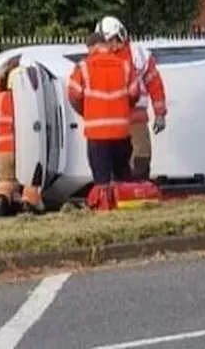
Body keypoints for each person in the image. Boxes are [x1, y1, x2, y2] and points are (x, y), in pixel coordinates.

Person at [68, 20, 141, 209]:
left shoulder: (83, 67)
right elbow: (135, 93)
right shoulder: (124, 66)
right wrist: (123, 109)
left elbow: (73, 95)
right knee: (123, 176)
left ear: (91, 47)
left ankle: (105, 210)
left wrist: (86, 112)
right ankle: (127, 208)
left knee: (102, 181)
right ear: (106, 46)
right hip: (121, 133)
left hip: (97, 135)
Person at [101, 15, 168, 180]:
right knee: (119, 161)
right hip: (115, 119)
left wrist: (160, 113)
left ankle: (140, 189)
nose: (113, 45)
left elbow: (154, 82)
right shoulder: (102, 59)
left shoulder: (138, 55)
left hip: (136, 117)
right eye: (109, 41)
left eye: (115, 39)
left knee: (142, 158)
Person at [0, 54, 43, 214]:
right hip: (23, 146)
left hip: (3, 147)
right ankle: (28, 204)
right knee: (31, 179)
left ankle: (2, 201)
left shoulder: (1, 98)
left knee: (5, 180)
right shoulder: (27, 99)